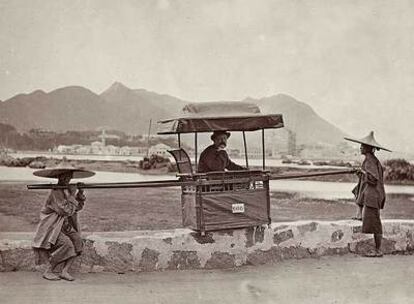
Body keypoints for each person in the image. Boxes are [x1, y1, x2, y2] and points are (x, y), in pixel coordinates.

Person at [32, 163, 95, 281]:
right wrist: (73, 194)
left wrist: (80, 193)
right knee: (67, 245)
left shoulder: (66, 190)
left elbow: (77, 208)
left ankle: (64, 271)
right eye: (64, 177)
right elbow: (65, 210)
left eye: (69, 177)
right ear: (59, 177)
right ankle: (48, 270)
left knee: (78, 242)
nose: (67, 179)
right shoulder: (56, 192)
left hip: (65, 225)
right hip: (53, 226)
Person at [345, 131, 391, 257]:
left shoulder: (370, 160)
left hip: (373, 195)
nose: (360, 147)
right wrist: (360, 173)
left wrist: (362, 172)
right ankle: (360, 216)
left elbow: (373, 178)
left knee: (375, 223)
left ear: (369, 148)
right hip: (371, 194)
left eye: (362, 146)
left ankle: (378, 250)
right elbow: (368, 177)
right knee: (374, 220)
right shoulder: (370, 160)